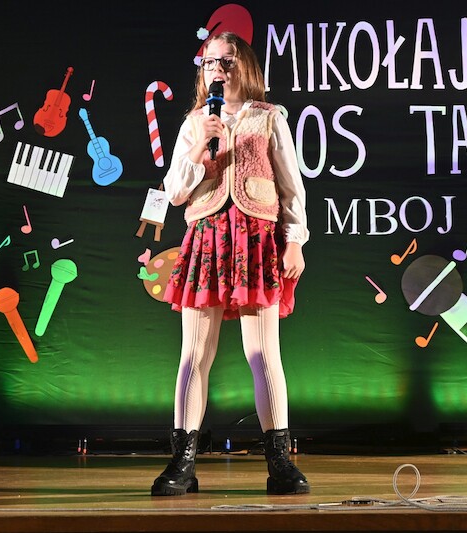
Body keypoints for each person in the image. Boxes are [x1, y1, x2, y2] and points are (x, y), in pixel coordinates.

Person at [151, 31, 310, 497]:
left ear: (246, 66)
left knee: (263, 353)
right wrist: (202, 144)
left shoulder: (269, 117)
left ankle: (279, 461)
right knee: (195, 354)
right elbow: (175, 191)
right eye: (209, 62)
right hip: (207, 239)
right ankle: (183, 460)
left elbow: (291, 187)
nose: (218, 69)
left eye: (227, 60)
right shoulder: (195, 123)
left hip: (256, 241)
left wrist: (294, 241)